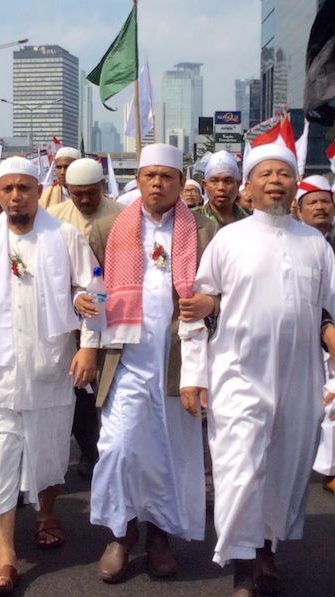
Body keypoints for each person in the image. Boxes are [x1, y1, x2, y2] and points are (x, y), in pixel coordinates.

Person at [179, 144, 335, 597]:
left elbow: (328, 312)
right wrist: (194, 375)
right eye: (264, 173)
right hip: (239, 375)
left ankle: (266, 547)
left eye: (283, 174)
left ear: (294, 184)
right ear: (248, 187)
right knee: (240, 468)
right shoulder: (229, 240)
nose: (274, 181)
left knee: (286, 468)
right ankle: (242, 567)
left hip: (299, 379)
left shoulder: (317, 245)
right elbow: (196, 309)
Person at [87, 143, 218, 583]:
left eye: (168, 176)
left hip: (178, 362)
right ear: (137, 181)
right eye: (150, 176)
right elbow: (90, 292)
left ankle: (160, 535)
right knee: (121, 448)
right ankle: (121, 534)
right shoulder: (107, 229)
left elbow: (221, 292)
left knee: (170, 453)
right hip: (124, 359)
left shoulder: (202, 231)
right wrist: (83, 312)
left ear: (181, 183)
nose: (158, 183)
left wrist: (209, 304)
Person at [0, 156, 99, 594]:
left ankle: (47, 513)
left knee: (49, 453)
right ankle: (5, 556)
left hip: (52, 367)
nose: (14, 196)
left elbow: (91, 287)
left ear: (39, 189)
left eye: (23, 188)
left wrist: (88, 344)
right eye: (5, 189)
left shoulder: (65, 235)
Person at [48, 157, 124, 478]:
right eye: (76, 194)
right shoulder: (54, 219)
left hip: (116, 317)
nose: (84, 200)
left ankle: (110, 452)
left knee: (108, 389)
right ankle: (89, 449)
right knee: (79, 390)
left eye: (90, 193)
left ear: (102, 188)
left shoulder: (122, 217)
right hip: (69, 321)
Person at [296, 175, 335, 495]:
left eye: (326, 201)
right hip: (307, 339)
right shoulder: (295, 245)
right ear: (299, 209)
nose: (320, 207)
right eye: (313, 202)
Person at [195, 150, 248, 227]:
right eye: (214, 181)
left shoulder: (249, 221)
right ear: (205, 185)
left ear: (238, 185)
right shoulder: (191, 220)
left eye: (228, 181)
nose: (221, 188)